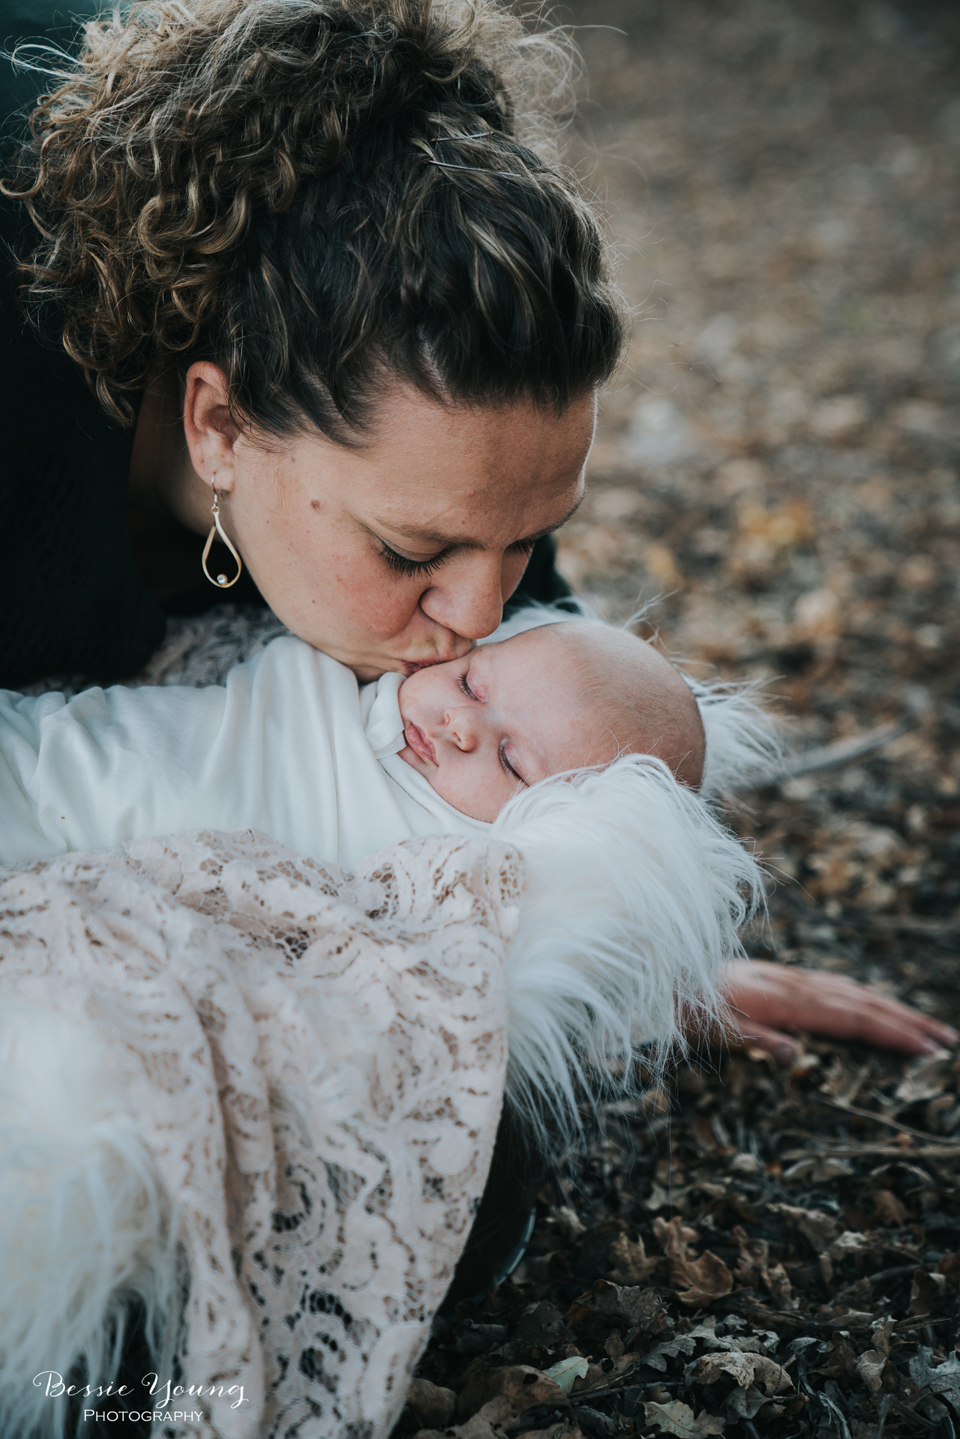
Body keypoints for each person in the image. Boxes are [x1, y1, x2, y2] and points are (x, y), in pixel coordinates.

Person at [0, 0, 949, 1105]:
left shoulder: (449, 471)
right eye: (413, 549)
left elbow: (564, 731)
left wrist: (592, 941)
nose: (481, 615)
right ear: (217, 426)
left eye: (529, 538)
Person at [0, 615, 707, 864]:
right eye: (471, 683)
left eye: (511, 760)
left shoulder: (460, 860)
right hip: (63, 757)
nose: (459, 725)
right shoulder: (356, 676)